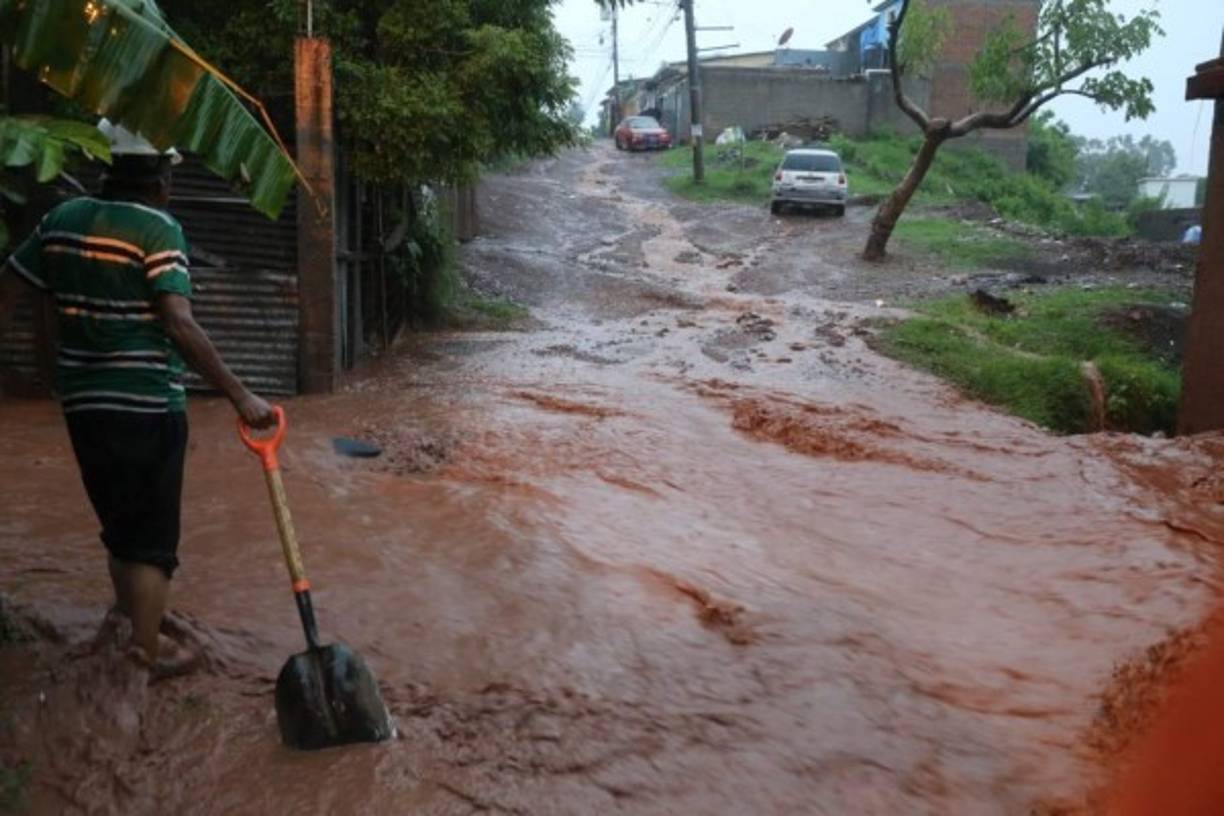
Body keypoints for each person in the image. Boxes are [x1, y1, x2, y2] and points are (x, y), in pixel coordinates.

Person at [0, 120, 276, 676]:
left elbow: (12, 291)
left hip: (82, 406)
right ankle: (145, 656)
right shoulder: (158, 229)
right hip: (147, 405)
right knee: (152, 540)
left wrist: (47, 359)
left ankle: (132, 621)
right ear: (161, 177)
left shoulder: (60, 221)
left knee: (119, 525)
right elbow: (178, 322)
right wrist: (241, 395)